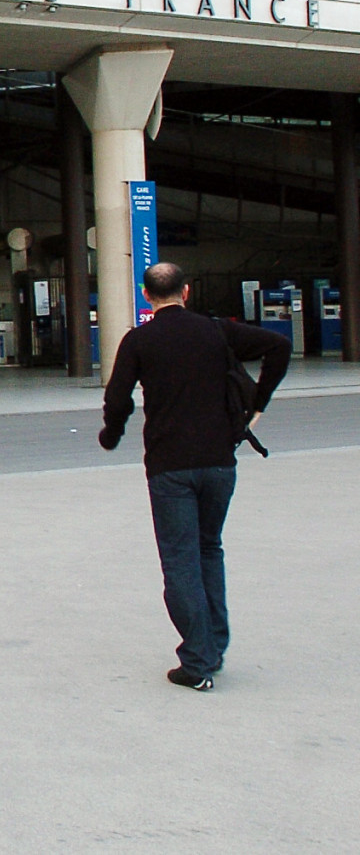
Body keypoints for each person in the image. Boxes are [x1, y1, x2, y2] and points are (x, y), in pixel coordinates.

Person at [100, 262, 289, 691]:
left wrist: (111, 434)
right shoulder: (217, 330)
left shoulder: (139, 340)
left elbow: (117, 397)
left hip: (170, 466)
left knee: (180, 558)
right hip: (220, 462)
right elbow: (277, 346)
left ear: (148, 296)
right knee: (208, 549)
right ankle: (213, 647)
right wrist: (257, 404)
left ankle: (198, 661)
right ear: (186, 291)